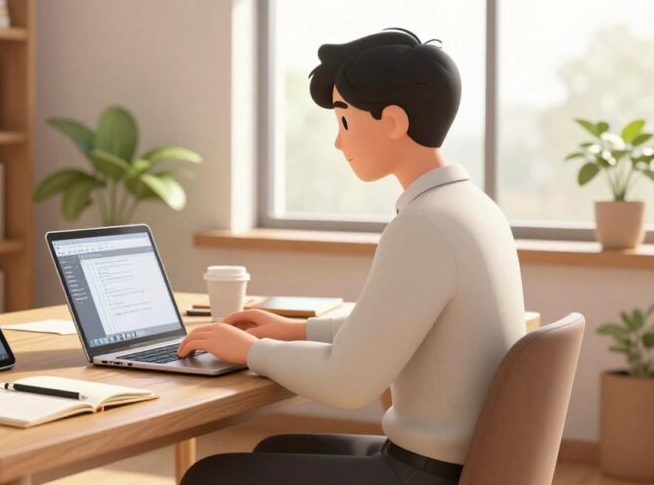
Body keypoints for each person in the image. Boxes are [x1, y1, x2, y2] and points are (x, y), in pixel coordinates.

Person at [178, 28, 527, 485]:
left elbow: (348, 383)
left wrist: (252, 351)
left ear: (394, 122)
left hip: (427, 475)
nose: (338, 143)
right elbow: (399, 324)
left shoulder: (424, 226)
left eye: (344, 121)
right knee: (277, 449)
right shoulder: (473, 209)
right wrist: (297, 329)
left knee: (210, 476)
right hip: (464, 463)